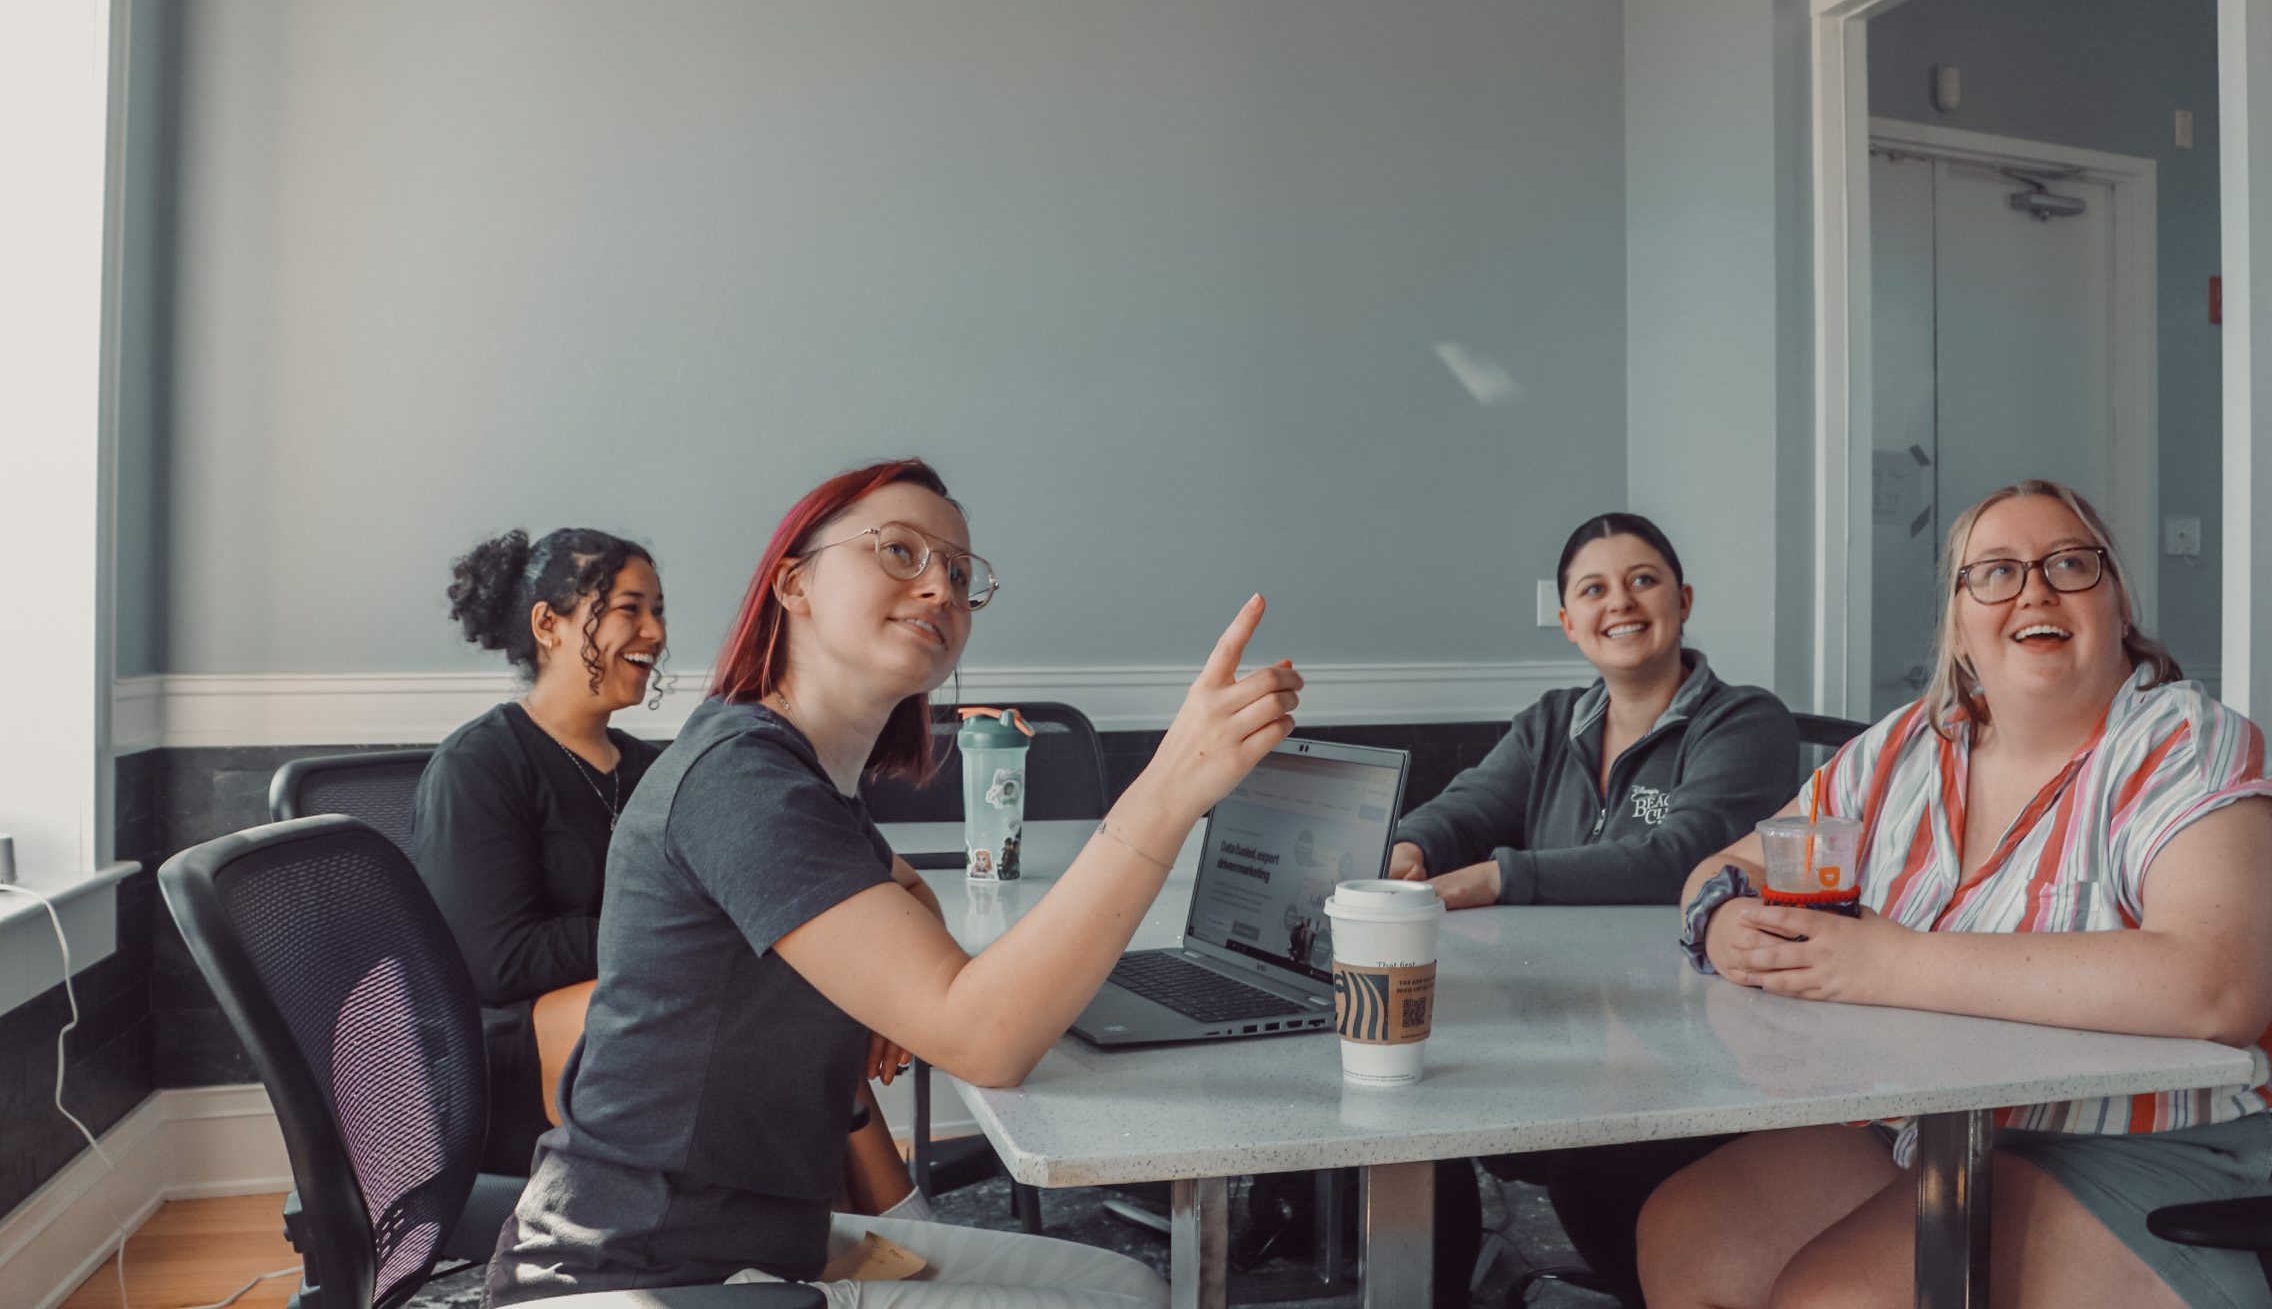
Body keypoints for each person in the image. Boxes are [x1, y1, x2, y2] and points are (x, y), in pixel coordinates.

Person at [485, 458, 1304, 1307]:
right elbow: (985, 1040)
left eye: (957, 573)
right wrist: (1168, 790)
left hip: (753, 1239)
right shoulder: (742, 779)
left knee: (1126, 1284)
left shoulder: (802, 778)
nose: (939, 588)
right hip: (638, 1269)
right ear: (793, 585)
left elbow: (901, 895)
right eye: (899, 552)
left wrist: (900, 955)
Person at [1641, 479, 2272, 1309]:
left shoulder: (2190, 744)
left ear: (2117, 602)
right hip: (1956, 1124)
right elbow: (1730, 864)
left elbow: (2216, 989)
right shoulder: (1907, 748)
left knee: (1836, 1298)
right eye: (1994, 571)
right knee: (1688, 1234)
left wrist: (1889, 965)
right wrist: (1727, 914)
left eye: (2070, 564)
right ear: (1958, 624)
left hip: (2207, 1144)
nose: (2034, 589)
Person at [1394, 512, 1798, 1307]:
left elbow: (1681, 858)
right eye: (1594, 589)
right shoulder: (1551, 723)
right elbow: (1467, 809)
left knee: (1592, 1172)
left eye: (1643, 580)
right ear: (1569, 623)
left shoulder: (1745, 721)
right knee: (1411, 1114)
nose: (1622, 602)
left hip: (1692, 1045)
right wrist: (1411, 848)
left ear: (1682, 600)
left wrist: (1498, 879)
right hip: (1555, 1025)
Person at [416, 527, 668, 1175]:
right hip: (506, 1063)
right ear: (549, 626)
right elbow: (501, 960)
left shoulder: (654, 771)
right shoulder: (478, 765)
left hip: (628, 1016)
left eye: (658, 612)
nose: (655, 633)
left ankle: (873, 1224)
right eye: (628, 609)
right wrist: (670, 935)